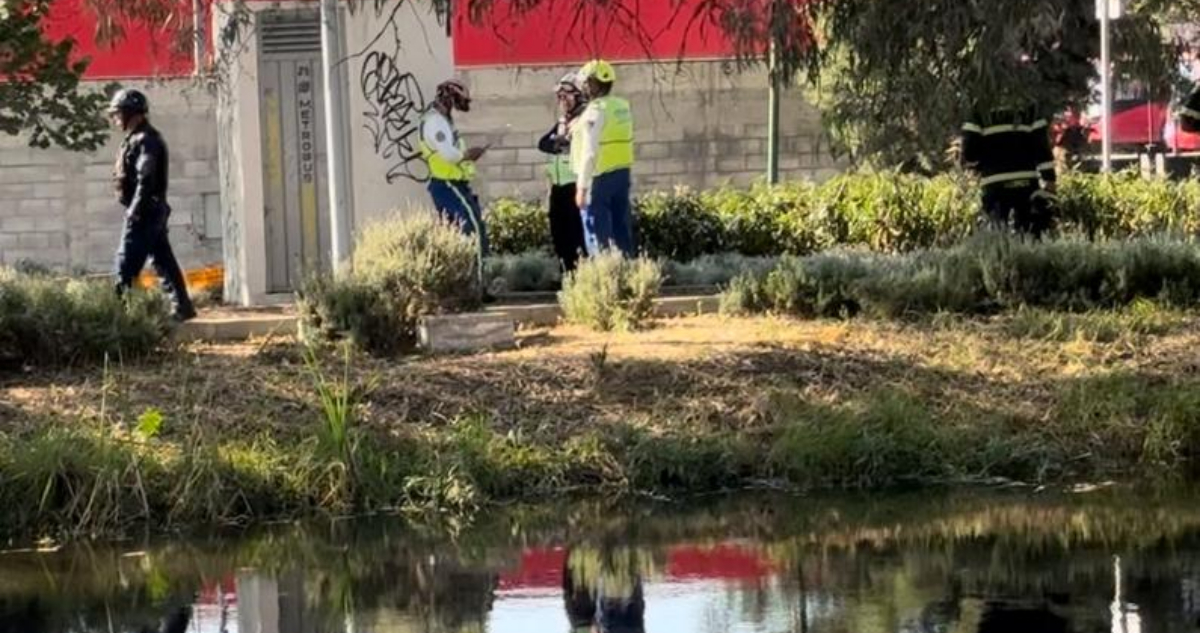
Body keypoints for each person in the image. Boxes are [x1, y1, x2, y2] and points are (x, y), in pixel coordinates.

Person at [109, 88, 196, 321]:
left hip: (145, 212)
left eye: (118, 114)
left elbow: (146, 178)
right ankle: (183, 307)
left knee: (125, 265)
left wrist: (135, 211)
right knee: (163, 261)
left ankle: (118, 317)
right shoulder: (137, 138)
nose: (115, 119)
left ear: (132, 113)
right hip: (150, 211)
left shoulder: (146, 141)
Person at [960, 92, 1058, 239]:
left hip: (994, 183)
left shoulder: (979, 107)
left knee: (998, 236)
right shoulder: (1029, 106)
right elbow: (1041, 147)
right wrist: (1049, 179)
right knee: (1029, 236)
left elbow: (969, 153)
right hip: (1026, 182)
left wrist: (982, 165)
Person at [420, 79, 490, 275]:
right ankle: (478, 281)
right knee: (472, 229)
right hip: (448, 184)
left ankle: (463, 280)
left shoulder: (441, 121)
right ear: (449, 98)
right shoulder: (435, 122)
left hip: (450, 183)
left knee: (454, 233)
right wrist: (469, 155)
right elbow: (449, 154)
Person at [571, 60, 636, 257]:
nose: (583, 87)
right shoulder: (621, 106)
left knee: (596, 232)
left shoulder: (595, 110)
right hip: (621, 174)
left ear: (593, 84)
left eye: (585, 83)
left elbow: (590, 151)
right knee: (621, 228)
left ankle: (603, 274)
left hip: (598, 177)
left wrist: (582, 187)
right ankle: (628, 269)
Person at [538, 74, 589, 272]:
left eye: (566, 96)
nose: (562, 101)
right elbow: (543, 143)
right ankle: (567, 276)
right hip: (557, 188)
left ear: (579, 96)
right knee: (560, 236)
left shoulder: (585, 119)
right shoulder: (562, 122)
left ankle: (582, 276)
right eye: (560, 97)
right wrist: (559, 144)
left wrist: (564, 142)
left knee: (577, 236)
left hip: (575, 187)